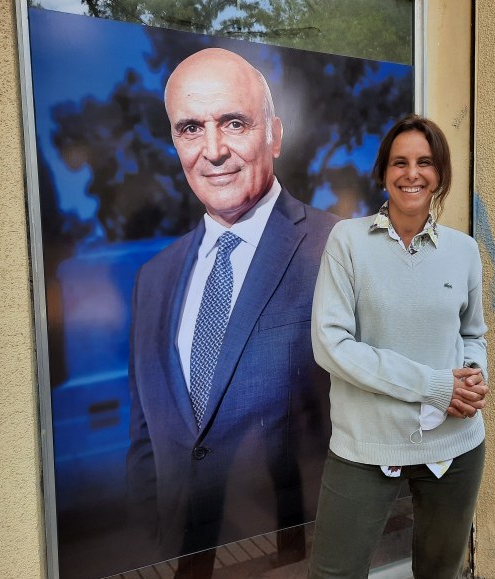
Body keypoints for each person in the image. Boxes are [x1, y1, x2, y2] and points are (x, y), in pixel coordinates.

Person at [126, 48, 338, 576]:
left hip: (291, 558)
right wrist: (155, 543)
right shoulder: (153, 278)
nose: (213, 150)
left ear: (275, 134)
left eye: (234, 123)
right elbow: (145, 439)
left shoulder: (338, 248)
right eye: (191, 129)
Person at [307, 114, 489, 579]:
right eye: (400, 162)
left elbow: (472, 333)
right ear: (384, 174)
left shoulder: (464, 250)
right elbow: (330, 344)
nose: (412, 173)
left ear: (441, 174)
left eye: (425, 162)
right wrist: (433, 385)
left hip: (454, 444)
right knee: (334, 573)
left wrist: (471, 376)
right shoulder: (348, 241)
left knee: (440, 571)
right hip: (366, 442)